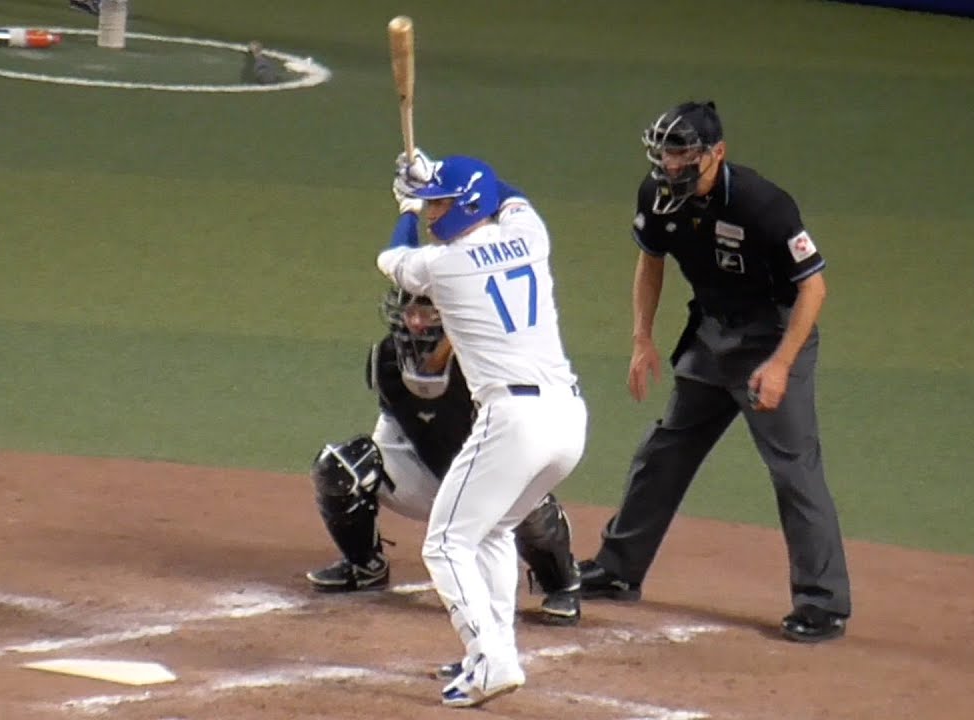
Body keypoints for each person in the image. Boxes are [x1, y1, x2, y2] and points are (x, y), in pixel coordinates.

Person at [577, 100, 851, 643]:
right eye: (664, 154)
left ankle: (823, 604)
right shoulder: (656, 195)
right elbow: (650, 260)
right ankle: (618, 568)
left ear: (716, 153)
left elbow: (813, 288)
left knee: (794, 469)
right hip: (710, 336)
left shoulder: (762, 204)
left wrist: (781, 365)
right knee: (664, 450)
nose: (670, 165)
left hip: (771, 339)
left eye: (683, 154)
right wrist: (641, 339)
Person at [377, 151, 588, 707]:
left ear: (468, 205)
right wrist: (432, 175)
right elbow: (510, 193)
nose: (432, 213)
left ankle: (489, 659)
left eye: (439, 203)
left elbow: (392, 258)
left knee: (446, 543)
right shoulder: (530, 233)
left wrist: (405, 205)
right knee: (493, 531)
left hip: (513, 419)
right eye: (429, 205)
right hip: (568, 419)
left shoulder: (444, 266)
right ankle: (495, 653)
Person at [304, 285, 583, 628]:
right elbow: (391, 432)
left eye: (428, 314)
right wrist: (370, 477)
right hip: (428, 477)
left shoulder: (483, 365)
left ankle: (561, 585)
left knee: (528, 497)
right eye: (410, 313)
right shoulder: (387, 359)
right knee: (340, 467)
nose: (416, 323)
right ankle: (364, 566)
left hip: (486, 483)